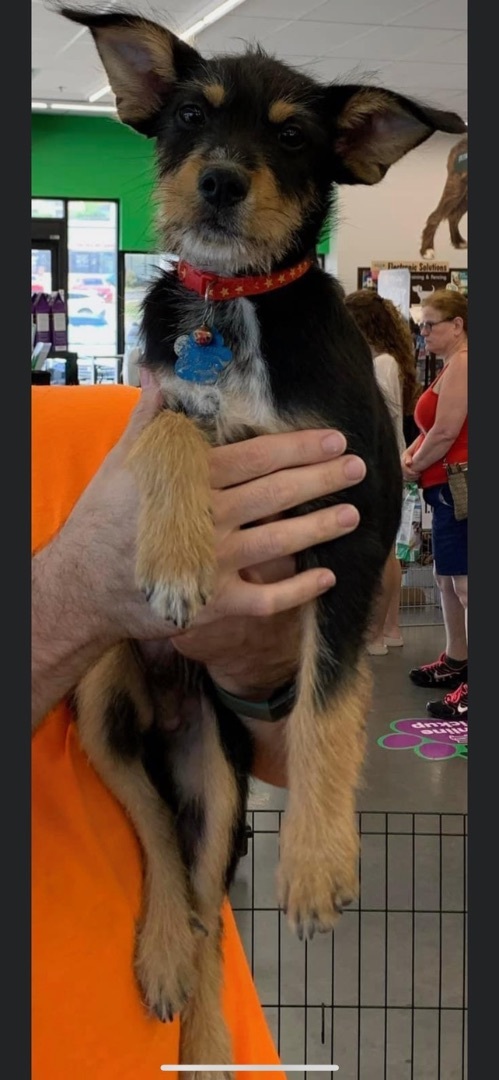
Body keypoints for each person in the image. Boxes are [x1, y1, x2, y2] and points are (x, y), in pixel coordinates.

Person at [32, 377, 366, 1079]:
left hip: (175, 1032)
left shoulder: (126, 422)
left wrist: (259, 664)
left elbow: (270, 754)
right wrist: (73, 598)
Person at [401, 289, 468, 720]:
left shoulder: (464, 363)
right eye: (421, 324)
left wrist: (413, 465)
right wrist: (410, 456)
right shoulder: (450, 366)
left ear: (458, 325)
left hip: (460, 488)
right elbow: (429, 429)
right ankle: (456, 660)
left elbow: (445, 433)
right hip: (443, 490)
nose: (423, 332)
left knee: (466, 585)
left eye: (430, 325)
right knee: (447, 580)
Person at [345, 289, 420, 654]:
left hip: (381, 464)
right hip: (386, 462)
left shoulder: (382, 364)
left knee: (382, 553)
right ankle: (389, 628)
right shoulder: (388, 361)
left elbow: (385, 421)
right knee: (388, 551)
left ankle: (377, 633)